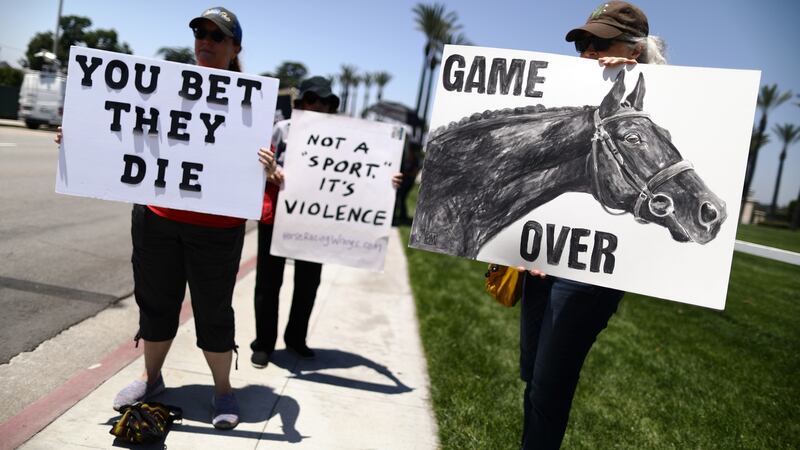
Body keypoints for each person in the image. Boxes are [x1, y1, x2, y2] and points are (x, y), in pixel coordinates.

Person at [57, 6, 251, 430]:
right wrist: (78, 137)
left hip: (217, 229)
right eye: (200, 32)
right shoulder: (167, 90)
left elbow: (260, 166)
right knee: (157, 303)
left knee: (213, 311)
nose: (206, 41)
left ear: (235, 47)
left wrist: (268, 165)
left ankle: (222, 389)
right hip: (158, 218)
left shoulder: (251, 103)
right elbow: (123, 129)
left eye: (217, 36)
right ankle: (150, 377)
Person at [518, 2, 668, 449]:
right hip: (546, 256)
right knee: (533, 370)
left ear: (636, 49)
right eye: (584, 42)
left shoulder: (656, 95)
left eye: (600, 42)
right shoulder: (577, 95)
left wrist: (642, 77)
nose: (588, 52)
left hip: (591, 271)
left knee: (550, 380)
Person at [251, 77, 402, 368]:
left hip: (317, 221)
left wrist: (388, 180)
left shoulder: (345, 135)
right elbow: (262, 160)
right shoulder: (282, 129)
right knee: (268, 283)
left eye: (324, 102)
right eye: (312, 100)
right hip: (279, 216)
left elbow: (364, 172)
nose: (317, 106)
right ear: (301, 103)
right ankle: (263, 344)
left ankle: (296, 339)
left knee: (308, 283)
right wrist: (273, 170)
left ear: (332, 106)